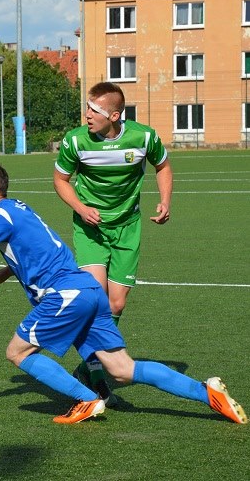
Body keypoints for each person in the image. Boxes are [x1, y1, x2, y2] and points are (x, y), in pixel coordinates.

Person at [0, 162, 245, 425]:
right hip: (89, 289)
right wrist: (7, 271)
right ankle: (208, 393)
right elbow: (41, 245)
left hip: (66, 295)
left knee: (17, 353)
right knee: (121, 369)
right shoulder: (19, 208)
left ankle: (89, 400)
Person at [53, 81, 173, 402]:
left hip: (127, 229)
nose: (87, 115)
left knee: (116, 304)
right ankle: (95, 366)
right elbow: (60, 180)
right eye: (87, 107)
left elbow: (162, 166)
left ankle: (89, 361)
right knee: (96, 299)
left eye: (95, 110)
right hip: (91, 231)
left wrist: (164, 200)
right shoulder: (75, 141)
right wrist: (80, 207)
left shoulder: (144, 137)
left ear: (115, 115)